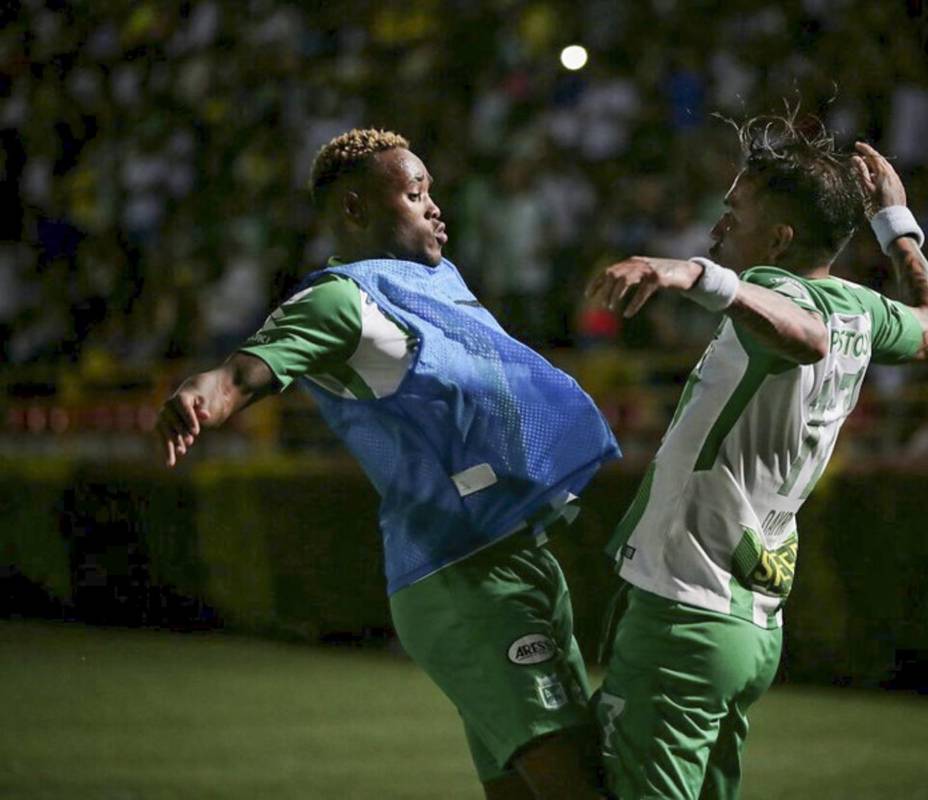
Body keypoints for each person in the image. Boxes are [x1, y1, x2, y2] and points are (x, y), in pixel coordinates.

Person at [154, 128, 620, 800]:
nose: (434, 207)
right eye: (413, 193)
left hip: (514, 557)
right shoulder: (341, 300)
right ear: (354, 210)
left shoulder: (438, 282)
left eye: (430, 190)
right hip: (462, 573)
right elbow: (246, 370)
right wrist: (209, 392)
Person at [586, 114, 928, 799]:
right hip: (747, 630)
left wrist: (697, 275)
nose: (717, 230)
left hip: (687, 616)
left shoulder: (780, 295)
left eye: (733, 214)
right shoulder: (858, 307)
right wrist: (898, 226)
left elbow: (806, 338)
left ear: (779, 238)